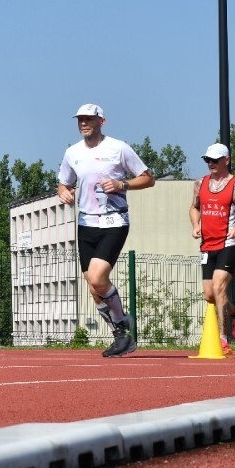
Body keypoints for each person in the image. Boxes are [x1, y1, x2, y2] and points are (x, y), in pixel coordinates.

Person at [58, 103, 155, 357]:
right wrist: (64, 192)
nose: (83, 123)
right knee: (94, 287)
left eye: (89, 119)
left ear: (102, 121)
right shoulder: (72, 152)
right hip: (86, 223)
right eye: (80, 120)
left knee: (98, 278)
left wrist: (122, 184)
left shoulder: (118, 148)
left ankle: (123, 323)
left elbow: (148, 178)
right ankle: (121, 336)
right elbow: (63, 183)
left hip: (114, 221)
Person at [188, 143, 235, 355]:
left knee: (219, 287)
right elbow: (194, 207)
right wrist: (196, 224)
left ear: (226, 160)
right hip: (207, 243)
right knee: (209, 294)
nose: (210, 163)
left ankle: (223, 339)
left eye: (215, 160)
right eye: (207, 160)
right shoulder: (200, 183)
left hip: (229, 242)